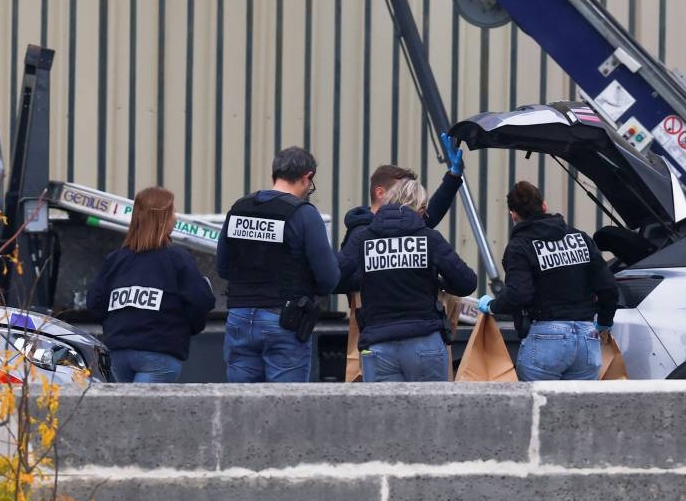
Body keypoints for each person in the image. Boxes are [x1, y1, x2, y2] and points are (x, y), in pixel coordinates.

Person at [217, 146, 340, 382]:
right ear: (307, 177)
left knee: (241, 407)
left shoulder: (239, 208)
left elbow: (223, 267)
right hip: (283, 320)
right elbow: (328, 278)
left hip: (240, 317)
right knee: (286, 409)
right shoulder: (304, 214)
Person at [337, 178, 477, 382]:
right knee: (430, 412)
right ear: (419, 207)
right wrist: (437, 281)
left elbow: (333, 277)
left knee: (385, 414)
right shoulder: (429, 238)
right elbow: (466, 283)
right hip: (425, 342)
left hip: (378, 344)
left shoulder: (363, 238)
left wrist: (369, 276)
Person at [477, 181, 618, 381]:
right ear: (544, 205)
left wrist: (492, 306)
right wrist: (605, 321)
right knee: (580, 410)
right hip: (588, 339)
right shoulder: (580, 238)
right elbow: (608, 287)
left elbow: (519, 294)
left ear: (513, 215)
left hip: (546, 339)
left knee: (538, 410)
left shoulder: (520, 246)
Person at [86, 186, 215, 383]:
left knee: (125, 412)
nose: (175, 218)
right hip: (159, 352)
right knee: (144, 413)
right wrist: (187, 328)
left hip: (119, 352)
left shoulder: (115, 260)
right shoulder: (178, 258)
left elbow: (95, 304)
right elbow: (201, 300)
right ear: (163, 219)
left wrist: (118, 324)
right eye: (172, 212)